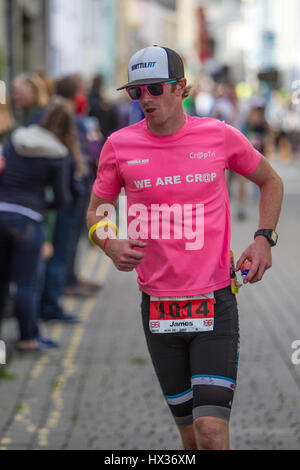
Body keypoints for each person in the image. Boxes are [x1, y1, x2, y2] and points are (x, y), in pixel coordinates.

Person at [86, 46, 283, 450]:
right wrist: (108, 241)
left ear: (181, 88)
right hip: (158, 306)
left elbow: (271, 180)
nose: (145, 100)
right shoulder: (119, 145)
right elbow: (97, 210)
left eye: (155, 88)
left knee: (212, 432)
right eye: (135, 92)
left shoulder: (219, 135)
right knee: (191, 438)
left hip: (215, 300)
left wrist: (264, 238)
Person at [0, 97, 74, 351]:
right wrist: (43, 207)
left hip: (1, 210)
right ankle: (28, 338)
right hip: (28, 220)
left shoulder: (17, 139)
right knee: (25, 283)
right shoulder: (58, 153)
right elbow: (63, 197)